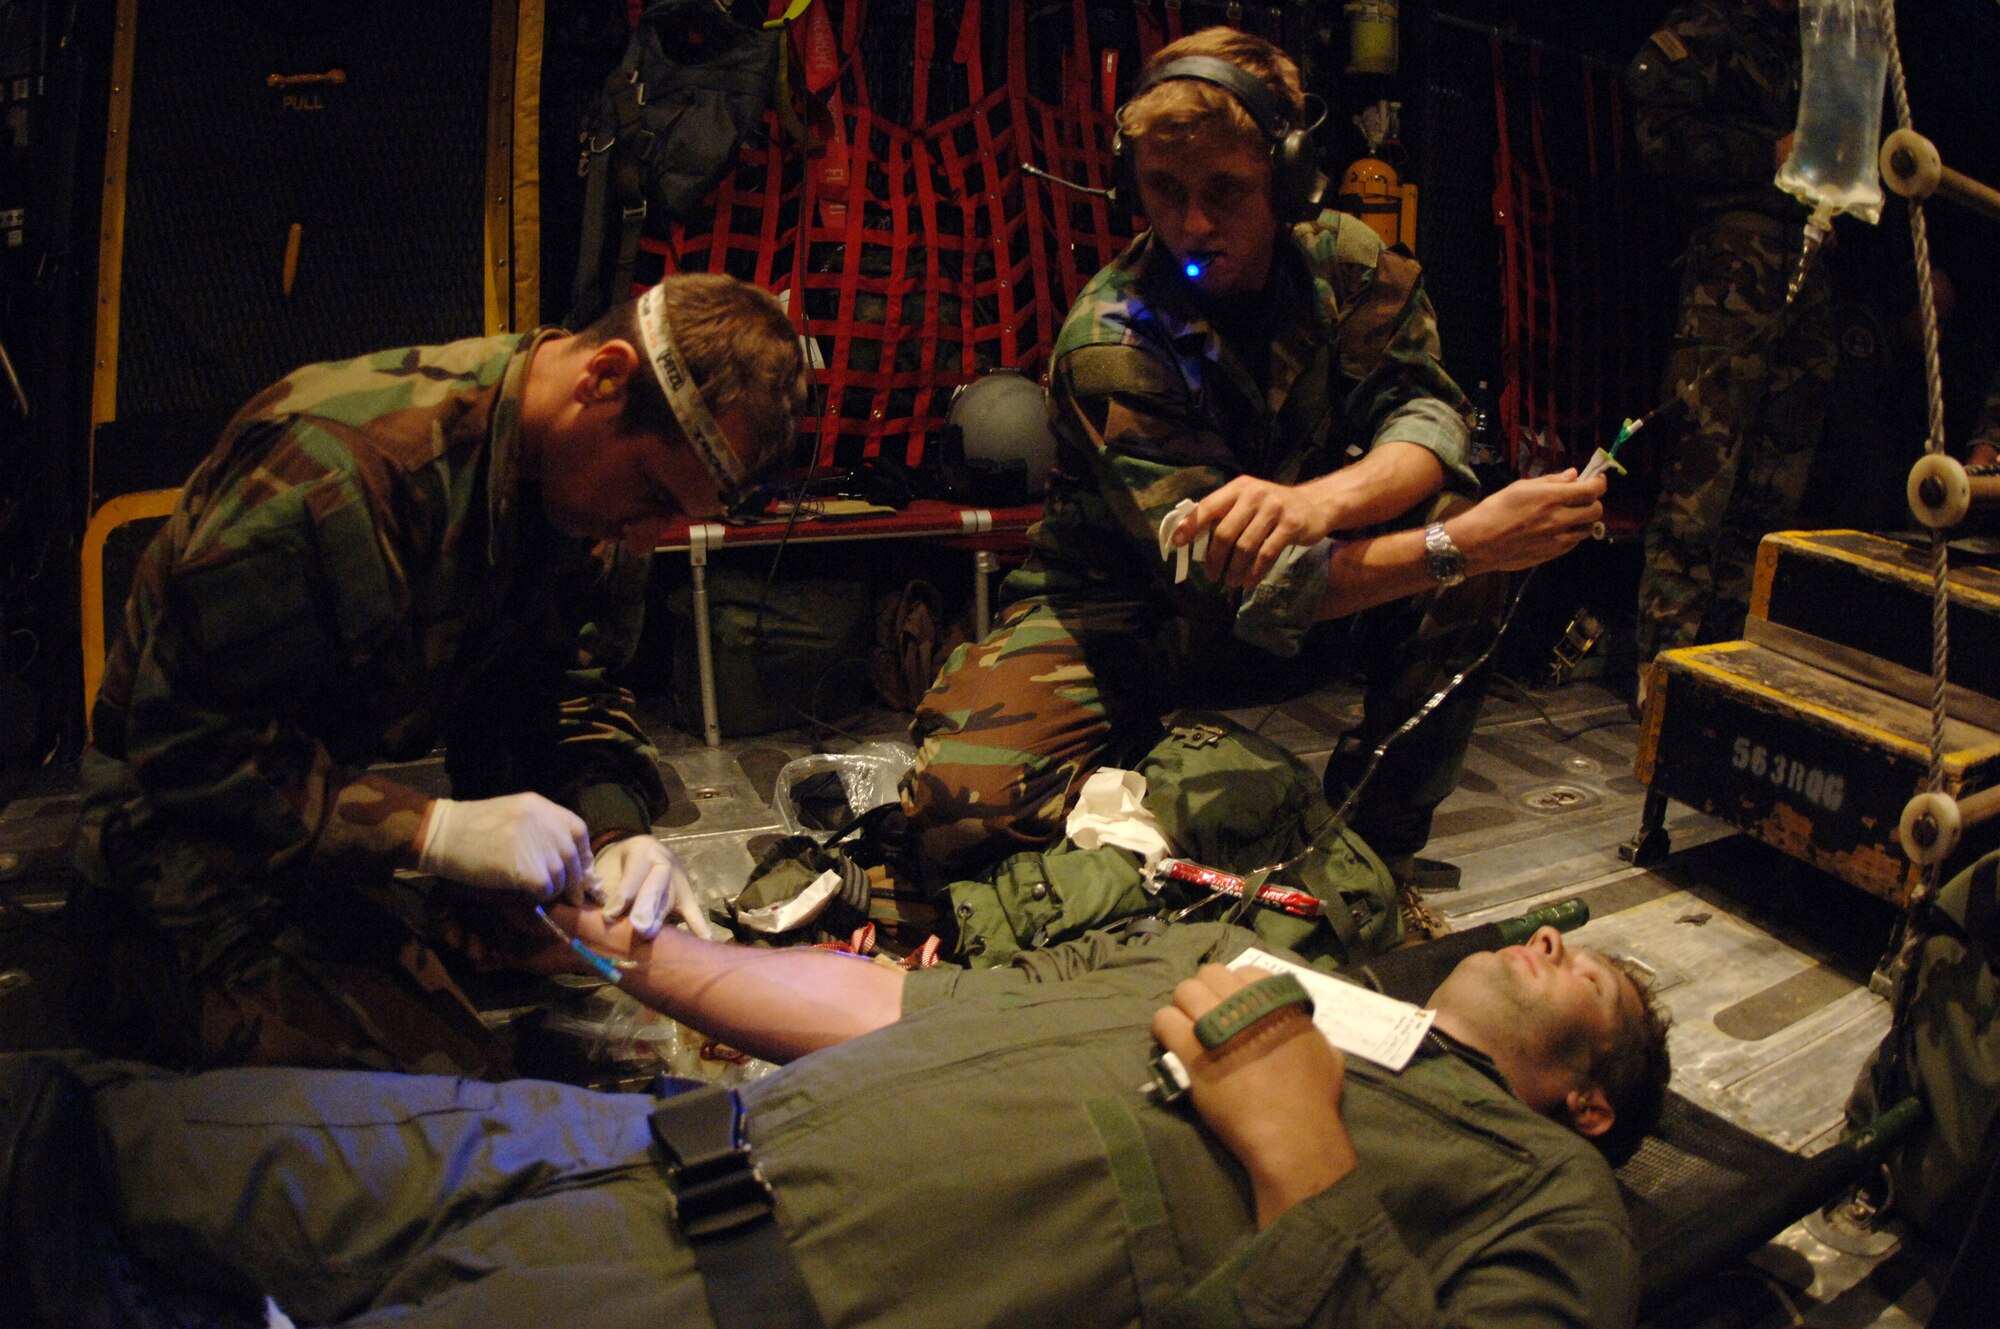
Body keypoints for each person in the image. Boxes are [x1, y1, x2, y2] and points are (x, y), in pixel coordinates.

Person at [4, 910, 1672, 1328]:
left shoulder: (1551, 1192)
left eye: (1600, 975)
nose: (1557, 936)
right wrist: (629, 946)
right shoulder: (1273, 972)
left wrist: (1299, 1153)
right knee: (118, 1132)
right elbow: (906, 1004)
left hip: (723, 1299)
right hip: (635, 1143)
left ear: (1591, 1096)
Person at [897, 29, 1607, 924]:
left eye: (1225, 189)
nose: (1193, 223)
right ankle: (1153, 773)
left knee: (1460, 532)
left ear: (1289, 174)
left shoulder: (1345, 263)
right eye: (1165, 190)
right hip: (1118, 616)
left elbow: (1426, 415)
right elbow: (1229, 585)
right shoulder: (1112, 337)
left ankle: (1373, 853)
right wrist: (1454, 547)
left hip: (1305, 591)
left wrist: (1319, 504)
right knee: (956, 812)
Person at [68, 273, 812, 1081]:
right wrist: (432, 835)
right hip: (177, 835)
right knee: (457, 1111)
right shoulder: (336, 478)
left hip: (311, 811)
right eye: (652, 496)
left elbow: (567, 689)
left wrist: (613, 830)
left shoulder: (577, 493)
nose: (643, 541)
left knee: (556, 966)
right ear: (603, 377)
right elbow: (185, 750)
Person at [1628, 0, 1837, 667]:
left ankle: (1729, 661)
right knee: (1702, 481)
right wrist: (1765, 153)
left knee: (1776, 484)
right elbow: (1659, 135)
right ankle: (1662, 665)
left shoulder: (1821, 43)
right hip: (1731, 271)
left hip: (1809, 264)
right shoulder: (1710, 30)